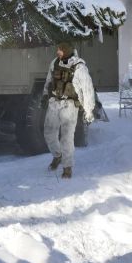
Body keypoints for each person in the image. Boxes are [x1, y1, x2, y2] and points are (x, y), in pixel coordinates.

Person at [41, 41, 95, 179]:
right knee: (49, 133)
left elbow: (87, 89)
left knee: (66, 138)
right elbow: (49, 81)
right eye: (58, 50)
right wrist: (45, 96)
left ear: (66, 51)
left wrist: (89, 111)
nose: (58, 52)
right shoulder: (55, 62)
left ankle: (67, 167)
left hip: (69, 106)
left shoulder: (79, 66)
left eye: (60, 50)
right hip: (54, 102)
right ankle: (57, 155)